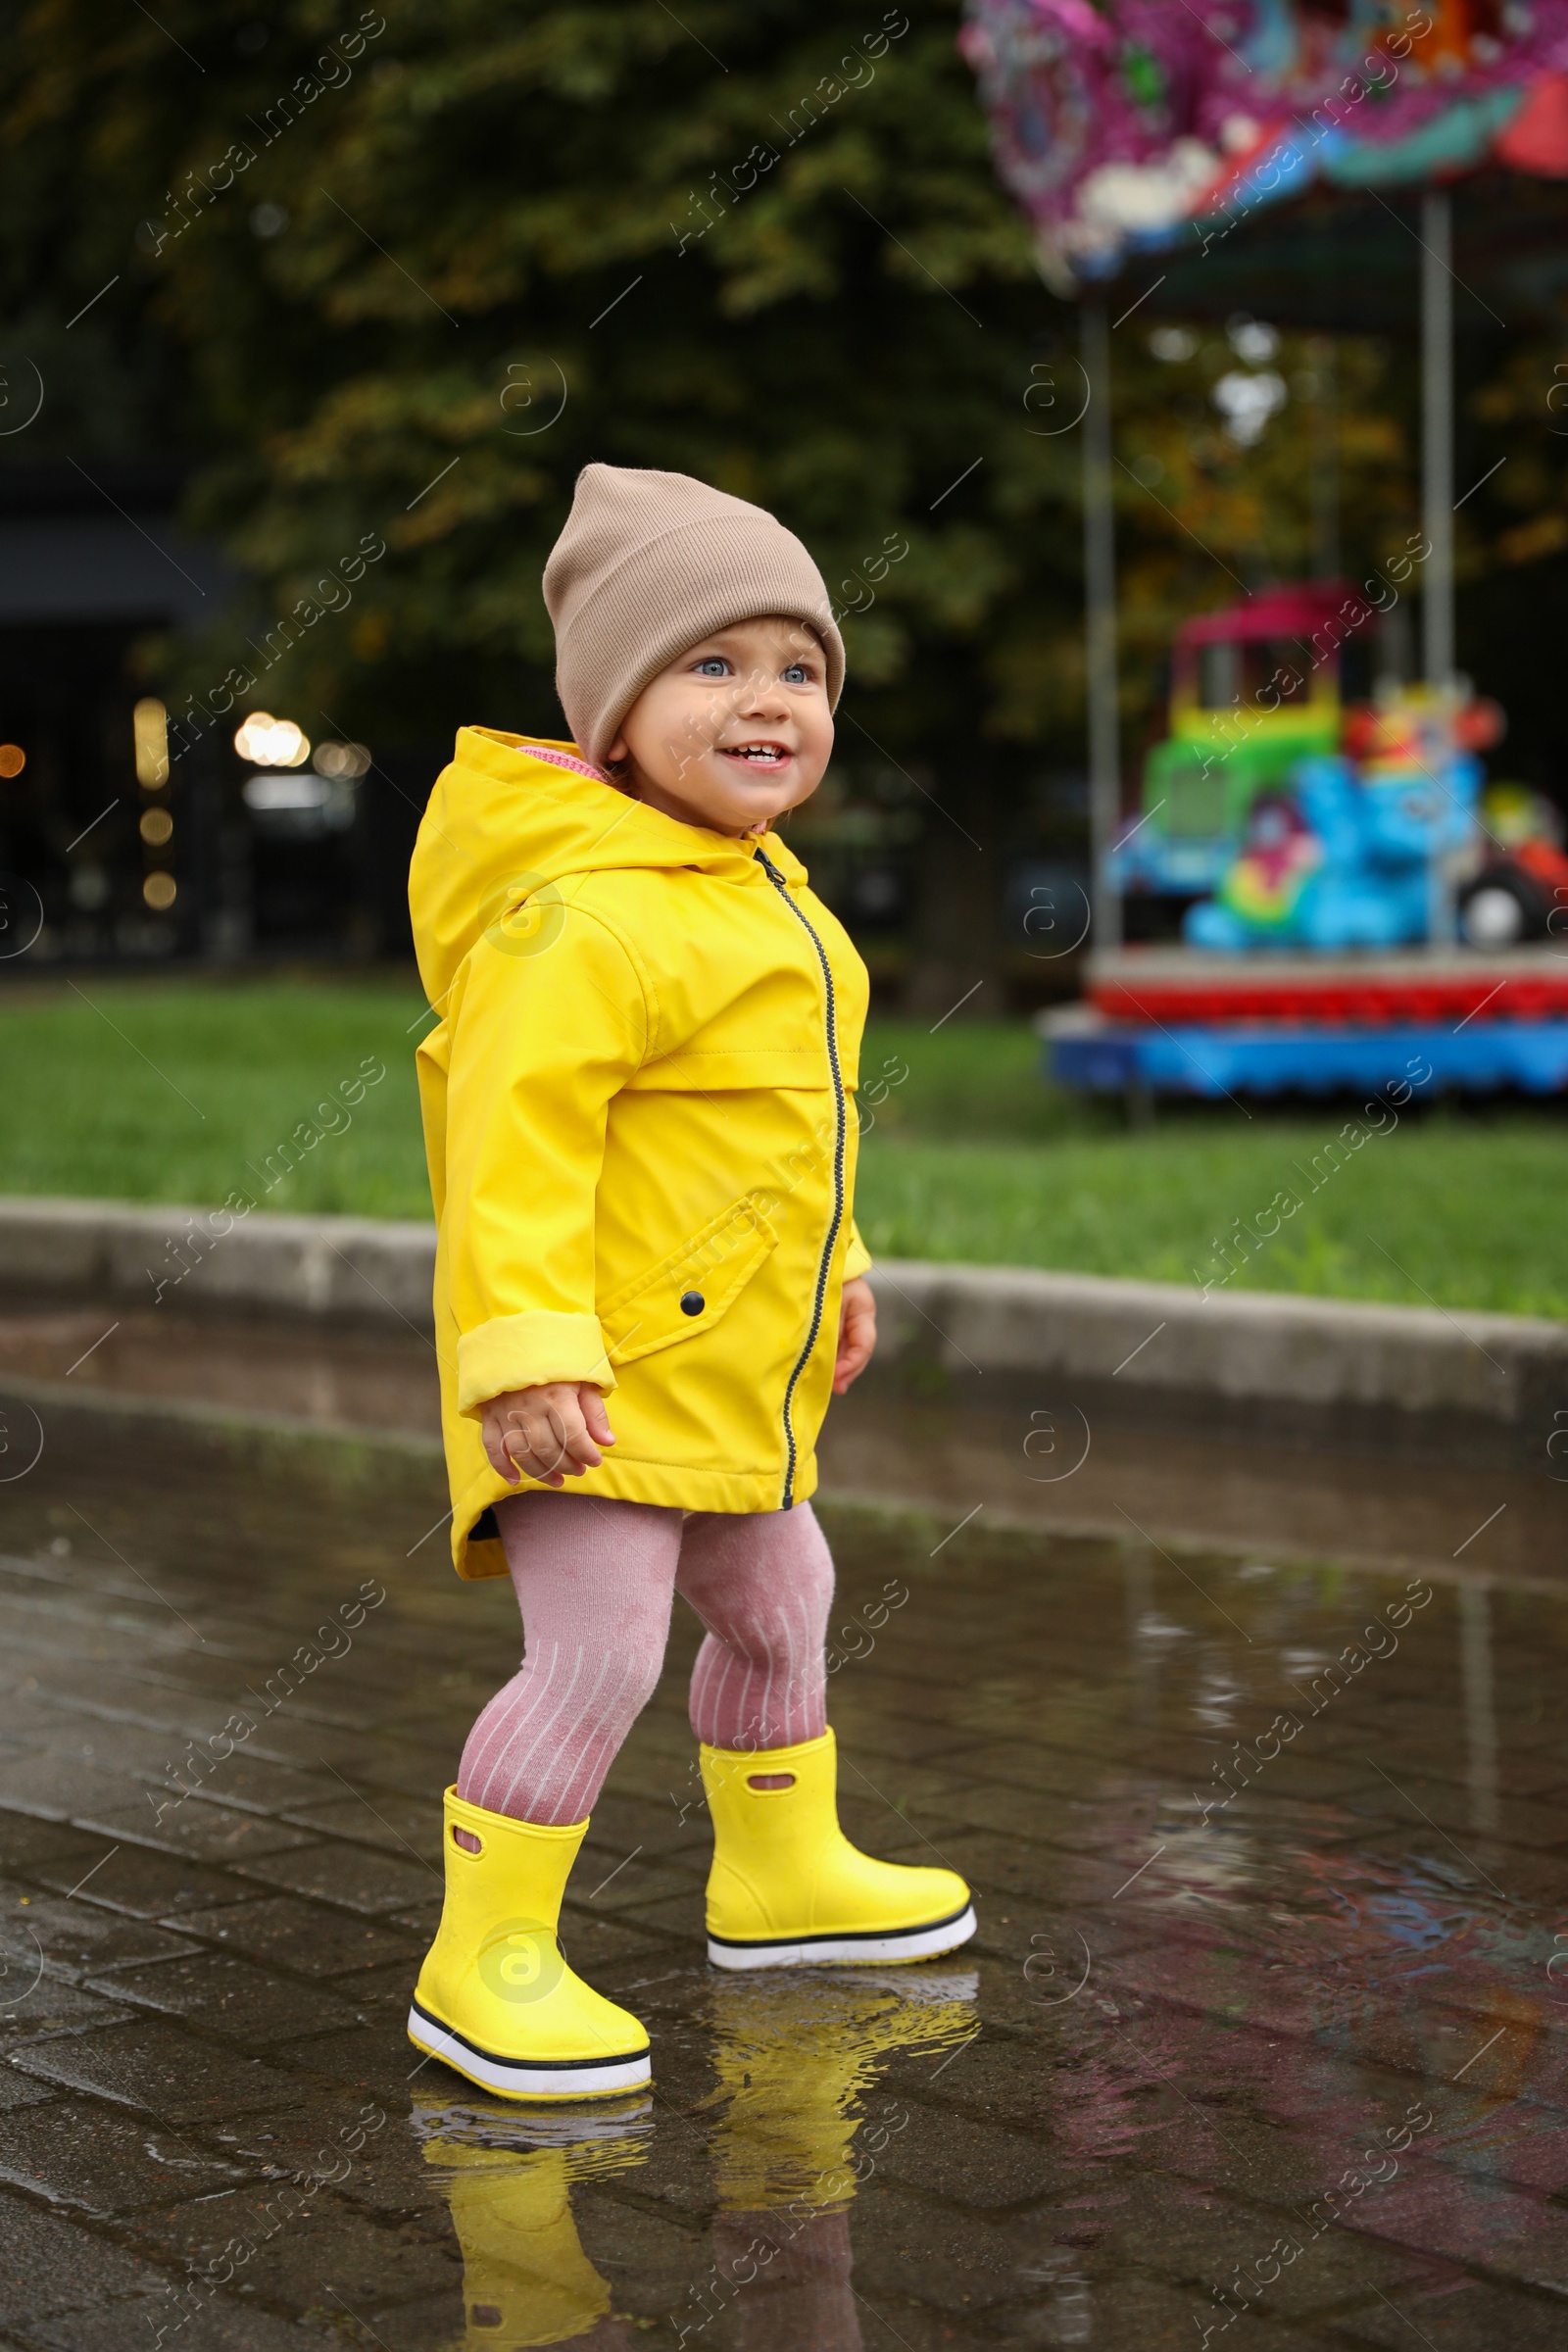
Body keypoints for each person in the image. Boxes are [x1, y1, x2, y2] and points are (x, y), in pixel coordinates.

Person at [406, 464, 975, 2104]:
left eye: (799, 670)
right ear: (613, 715)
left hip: (733, 1365)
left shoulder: (773, 900)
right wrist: (521, 1353)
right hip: (584, 1383)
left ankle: (780, 1880)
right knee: (595, 1659)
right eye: (712, 665)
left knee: (786, 1601)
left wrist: (840, 1268)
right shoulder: (581, 916)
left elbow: (793, 1132)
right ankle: (484, 1956)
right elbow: (512, 1150)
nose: (769, 703)